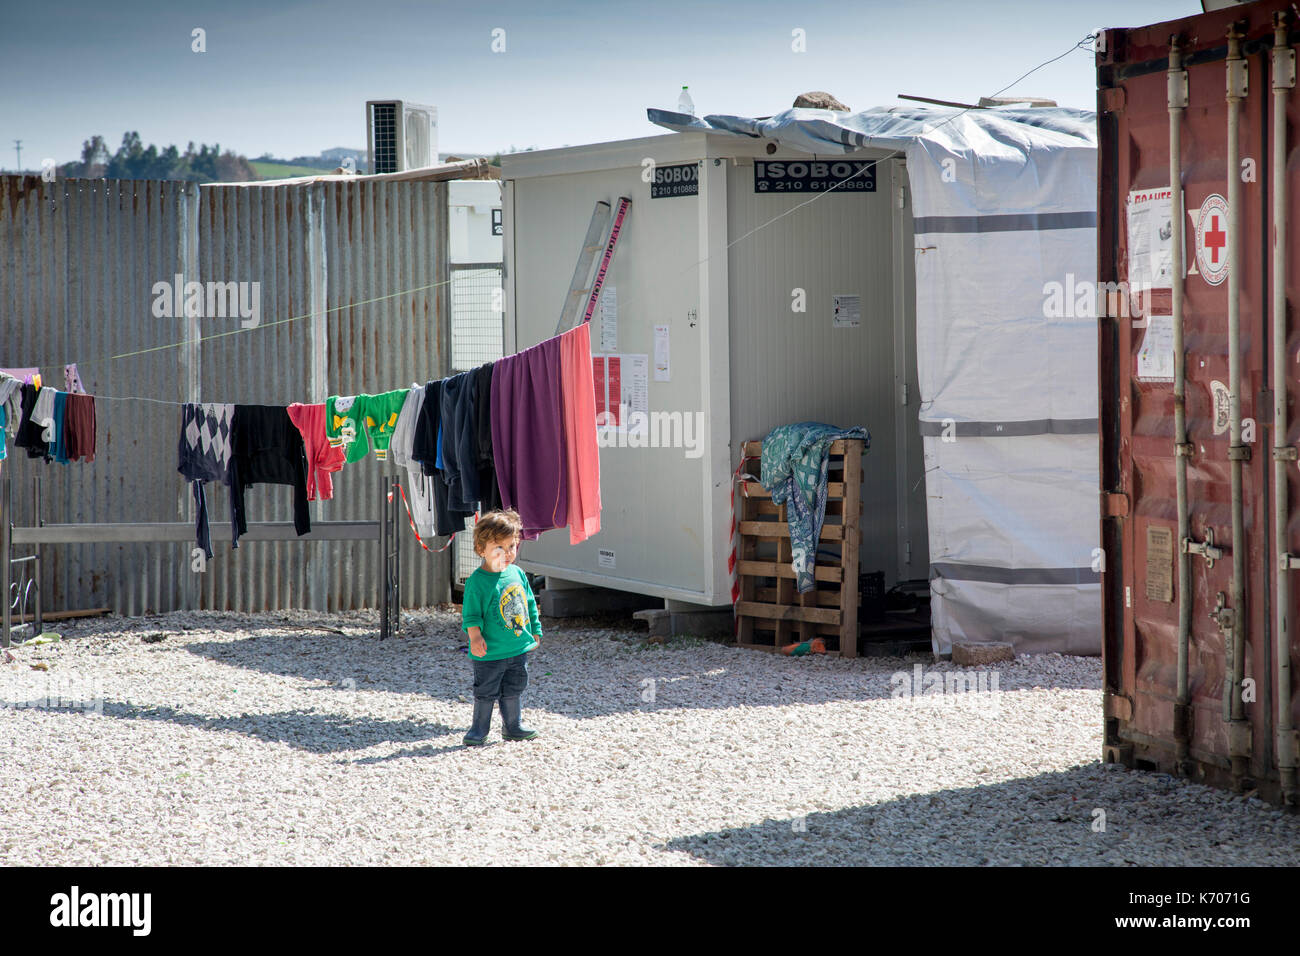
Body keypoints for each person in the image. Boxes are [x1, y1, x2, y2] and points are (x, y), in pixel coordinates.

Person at [460, 509, 542, 746]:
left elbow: (529, 604)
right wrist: (475, 638)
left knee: (514, 688)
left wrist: (536, 629)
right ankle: (479, 728)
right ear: (480, 549)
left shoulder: (517, 573)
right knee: (485, 691)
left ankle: (513, 726)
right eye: (499, 548)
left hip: (517, 648)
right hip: (490, 652)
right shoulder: (477, 581)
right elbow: (471, 615)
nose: (506, 554)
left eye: (511, 546)